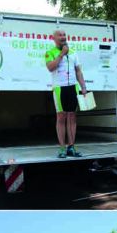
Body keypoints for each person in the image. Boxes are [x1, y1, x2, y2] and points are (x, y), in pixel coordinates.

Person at [45, 29, 88, 159]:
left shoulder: (73, 52)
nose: (63, 37)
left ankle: (71, 147)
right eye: (60, 35)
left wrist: (83, 87)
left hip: (73, 87)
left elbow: (78, 71)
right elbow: (50, 67)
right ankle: (62, 148)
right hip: (59, 88)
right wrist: (62, 54)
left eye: (64, 35)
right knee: (61, 117)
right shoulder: (50, 53)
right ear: (54, 38)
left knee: (72, 117)